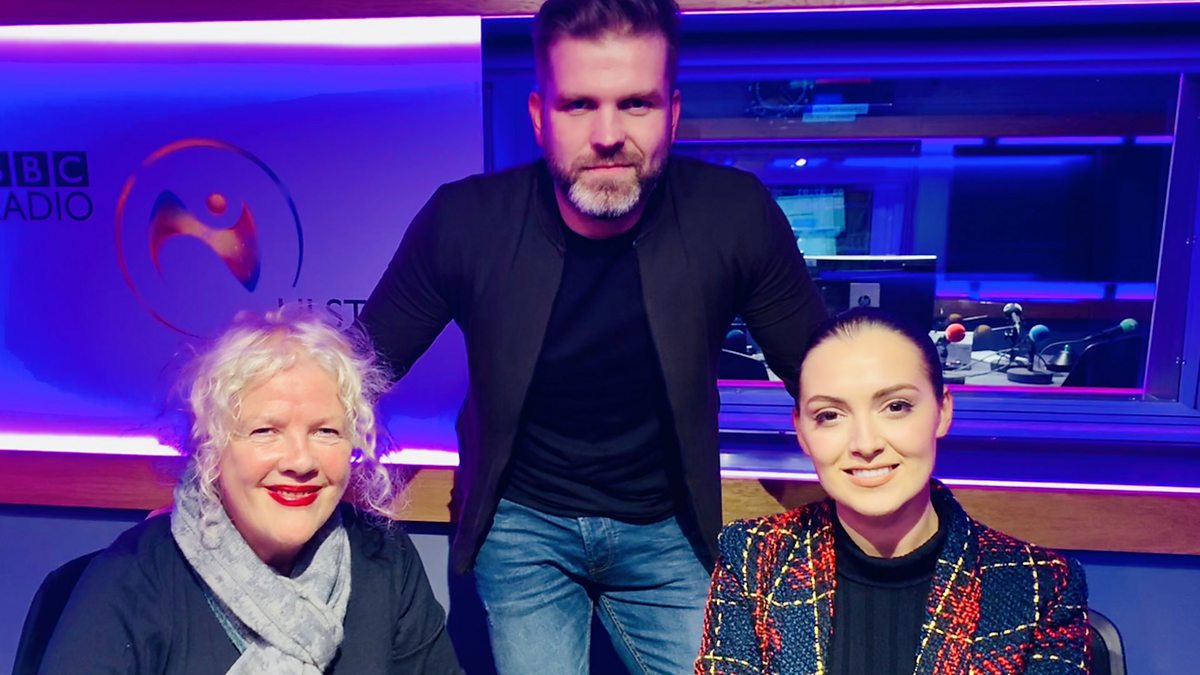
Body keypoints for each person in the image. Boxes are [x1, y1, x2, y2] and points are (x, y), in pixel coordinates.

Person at [359, 0, 827, 671]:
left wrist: (894, 456)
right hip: (524, 527)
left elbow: (825, 372)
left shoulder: (734, 214)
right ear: (540, 117)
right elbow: (353, 367)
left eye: (635, 103)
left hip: (668, 528)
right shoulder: (465, 221)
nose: (608, 135)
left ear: (671, 114)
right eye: (579, 104)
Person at [37, 310, 462, 674]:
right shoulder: (132, 579)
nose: (300, 461)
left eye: (326, 431)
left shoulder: (385, 561)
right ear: (212, 448)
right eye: (265, 431)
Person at [695, 307, 1090, 674]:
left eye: (896, 406)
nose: (865, 444)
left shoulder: (1042, 588)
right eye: (829, 415)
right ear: (801, 431)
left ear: (942, 411)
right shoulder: (752, 560)